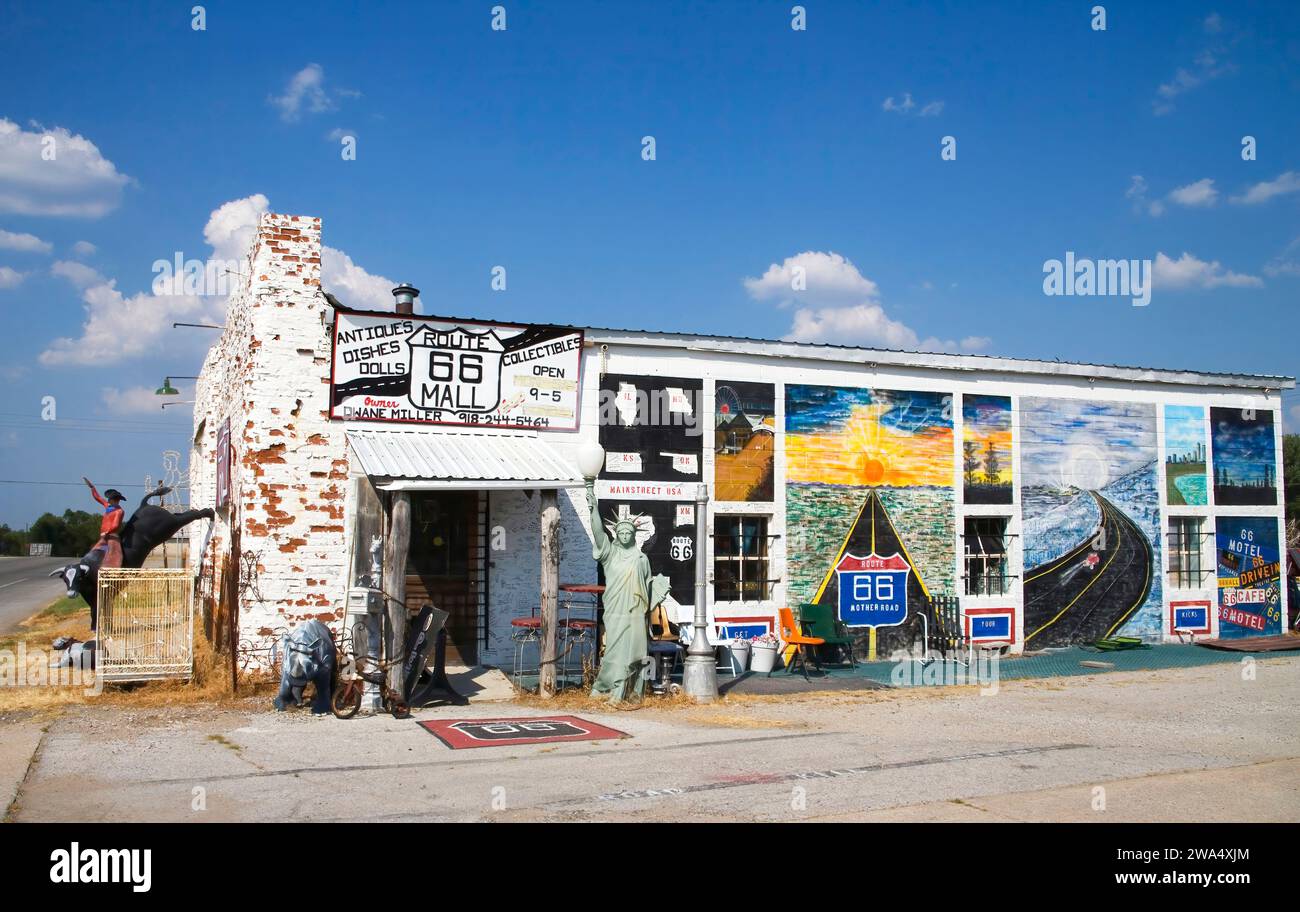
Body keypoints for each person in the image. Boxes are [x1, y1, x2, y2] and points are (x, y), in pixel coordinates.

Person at [586, 480, 669, 702]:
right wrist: (592, 507)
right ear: (616, 535)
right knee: (614, 651)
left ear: (633, 535)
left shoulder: (642, 559)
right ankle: (604, 686)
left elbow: (648, 585)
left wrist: (660, 589)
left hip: (634, 612)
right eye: (620, 532)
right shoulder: (609, 554)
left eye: (627, 532)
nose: (623, 536)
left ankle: (623, 690)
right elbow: (597, 532)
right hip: (615, 610)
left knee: (634, 651)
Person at [82, 477, 125, 570]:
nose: (108, 500)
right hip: (103, 536)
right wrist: (92, 488)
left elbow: (116, 525)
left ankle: (112, 572)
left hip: (112, 537)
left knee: (113, 555)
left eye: (110, 499)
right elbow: (98, 497)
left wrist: (107, 532)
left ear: (115, 500)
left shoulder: (119, 511)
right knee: (94, 551)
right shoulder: (108, 507)